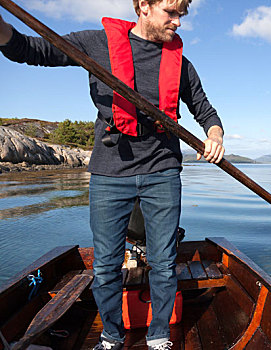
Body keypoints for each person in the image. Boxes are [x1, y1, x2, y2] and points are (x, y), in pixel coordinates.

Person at [0, 0, 224, 349]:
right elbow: (33, 49)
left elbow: (204, 108)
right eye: (172, 13)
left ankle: (160, 337)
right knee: (105, 267)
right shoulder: (97, 43)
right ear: (144, 6)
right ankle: (111, 337)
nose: (178, 22)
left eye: (182, 14)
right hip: (109, 172)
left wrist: (214, 135)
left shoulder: (181, 64)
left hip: (162, 171)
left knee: (164, 264)